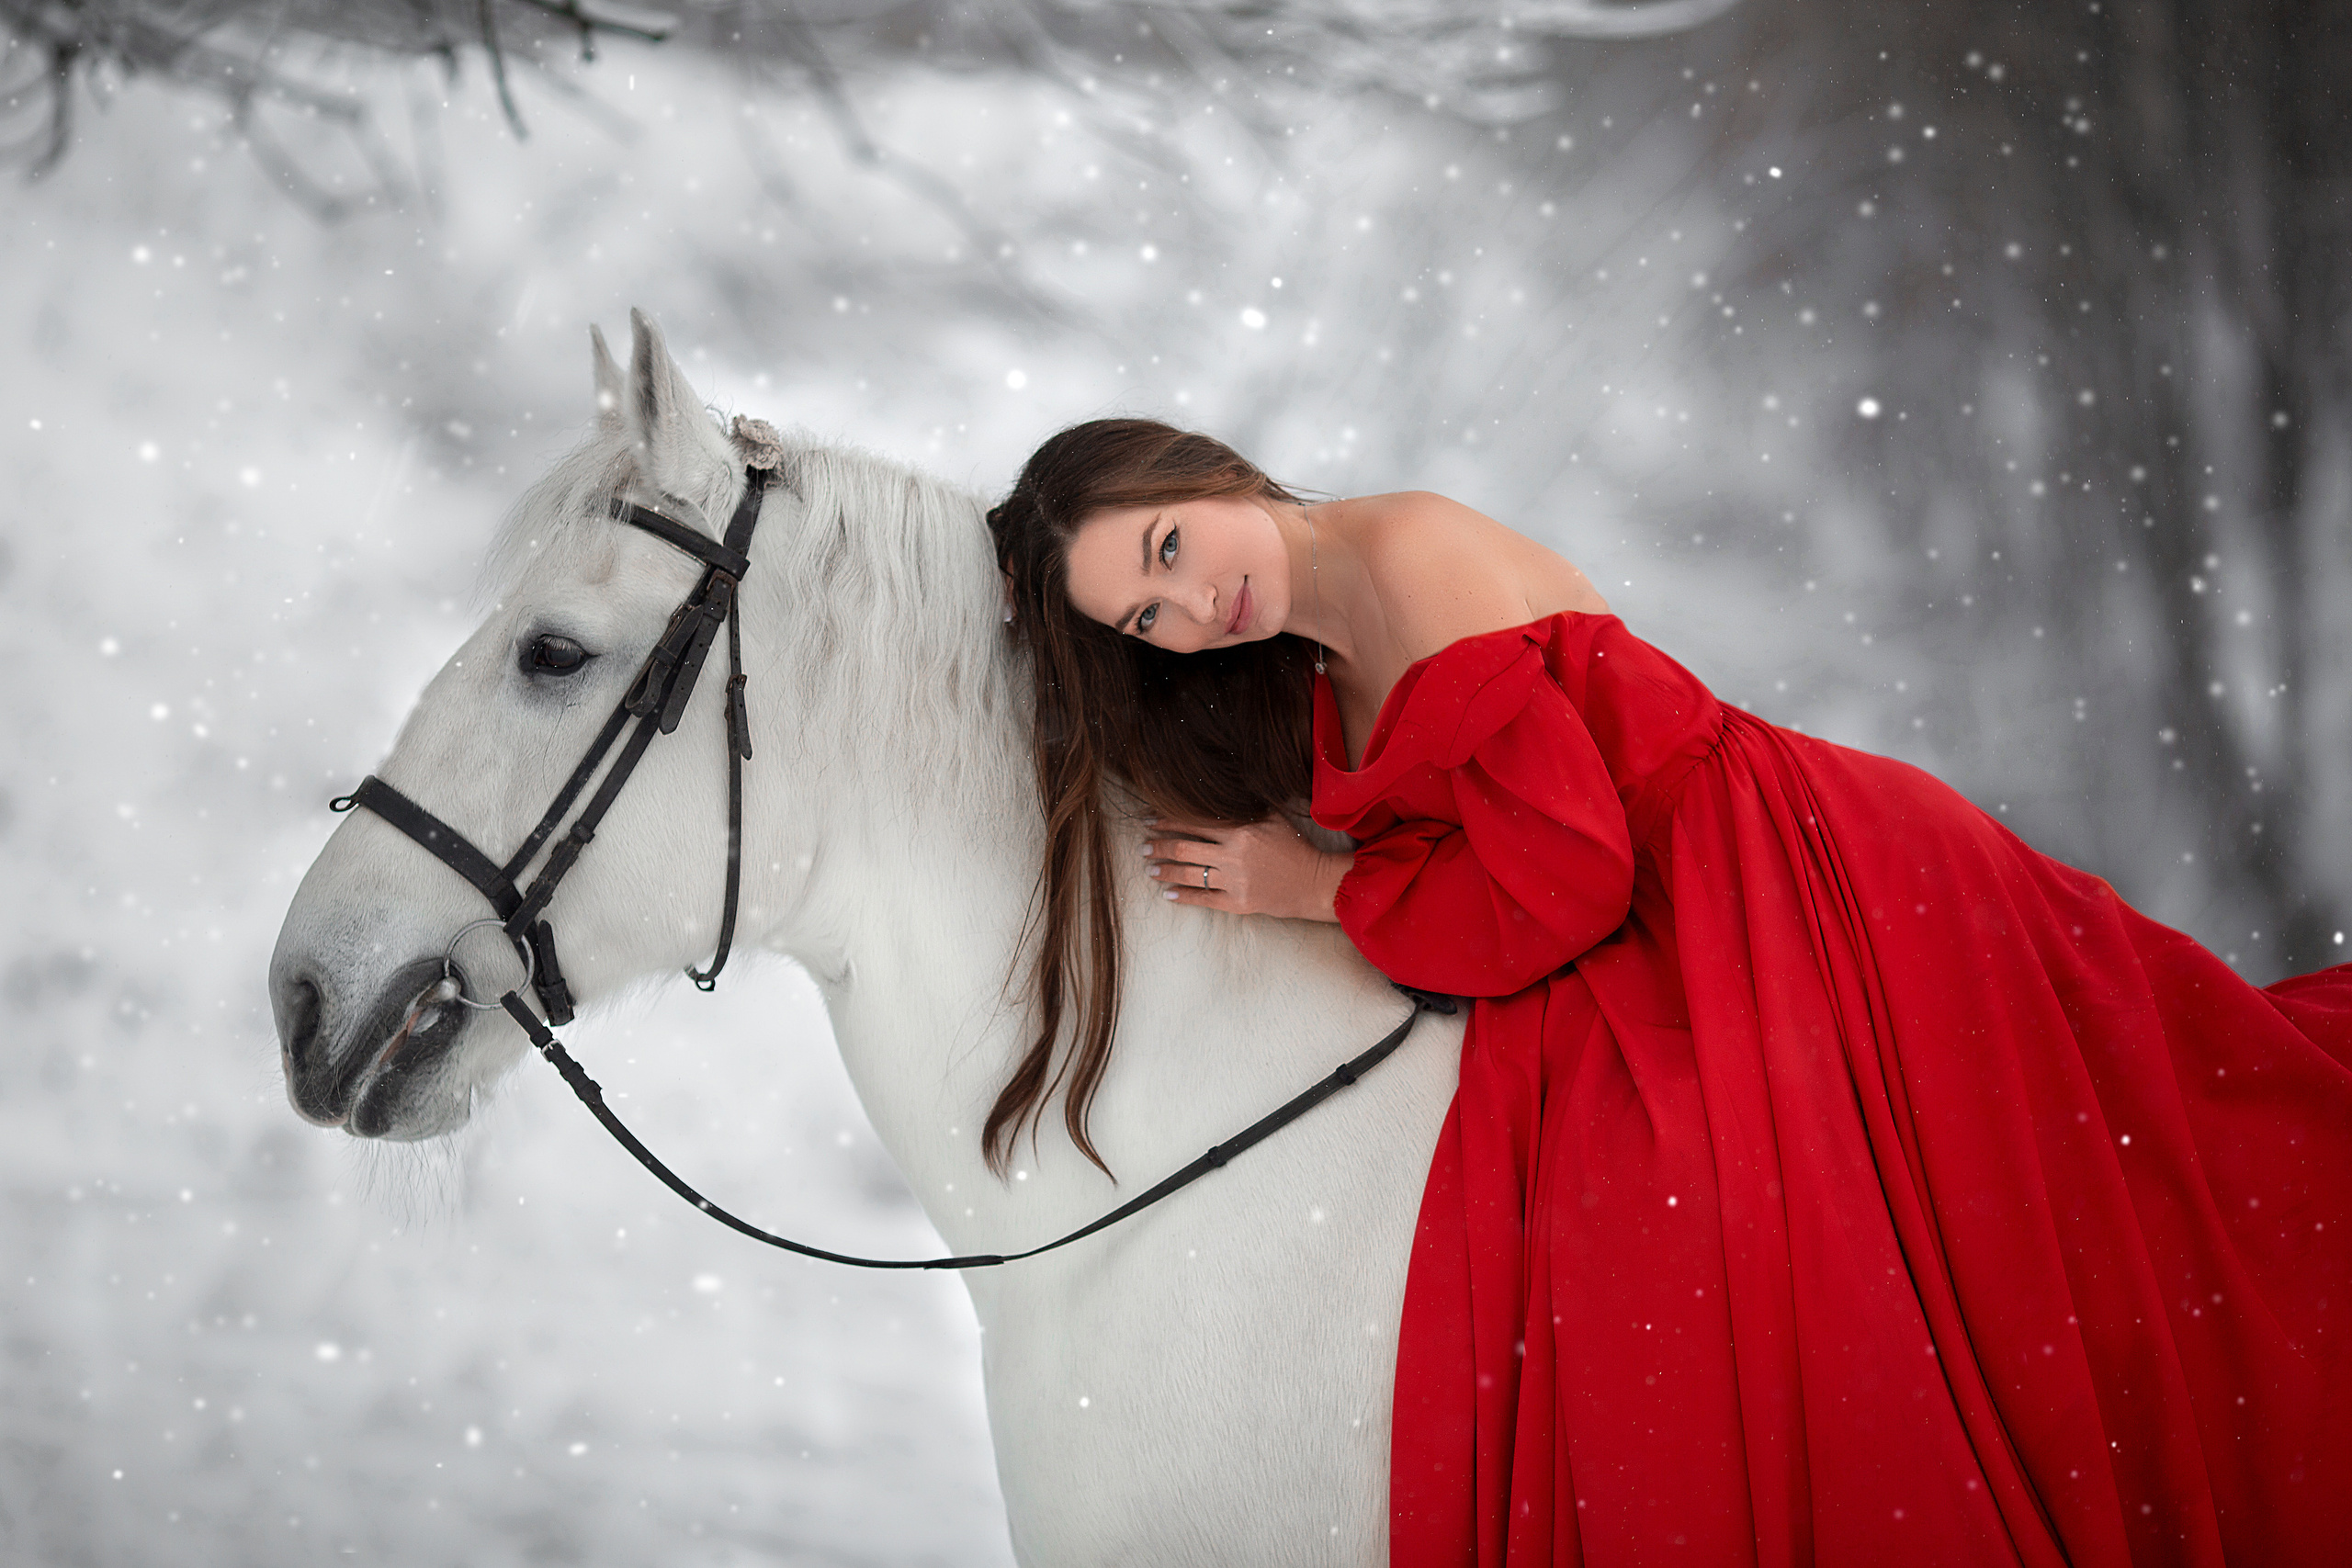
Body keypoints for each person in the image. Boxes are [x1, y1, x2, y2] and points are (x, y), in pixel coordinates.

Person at [985, 417, 2352, 1566]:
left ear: (1207, 473)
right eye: (1145, 617)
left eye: (1169, 549)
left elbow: (1567, 878)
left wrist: (1323, 892)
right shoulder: (1311, 642)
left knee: (2013, 1236)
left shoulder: (1407, 557)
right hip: (1669, 915)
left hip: (1774, 880)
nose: (1190, 607)